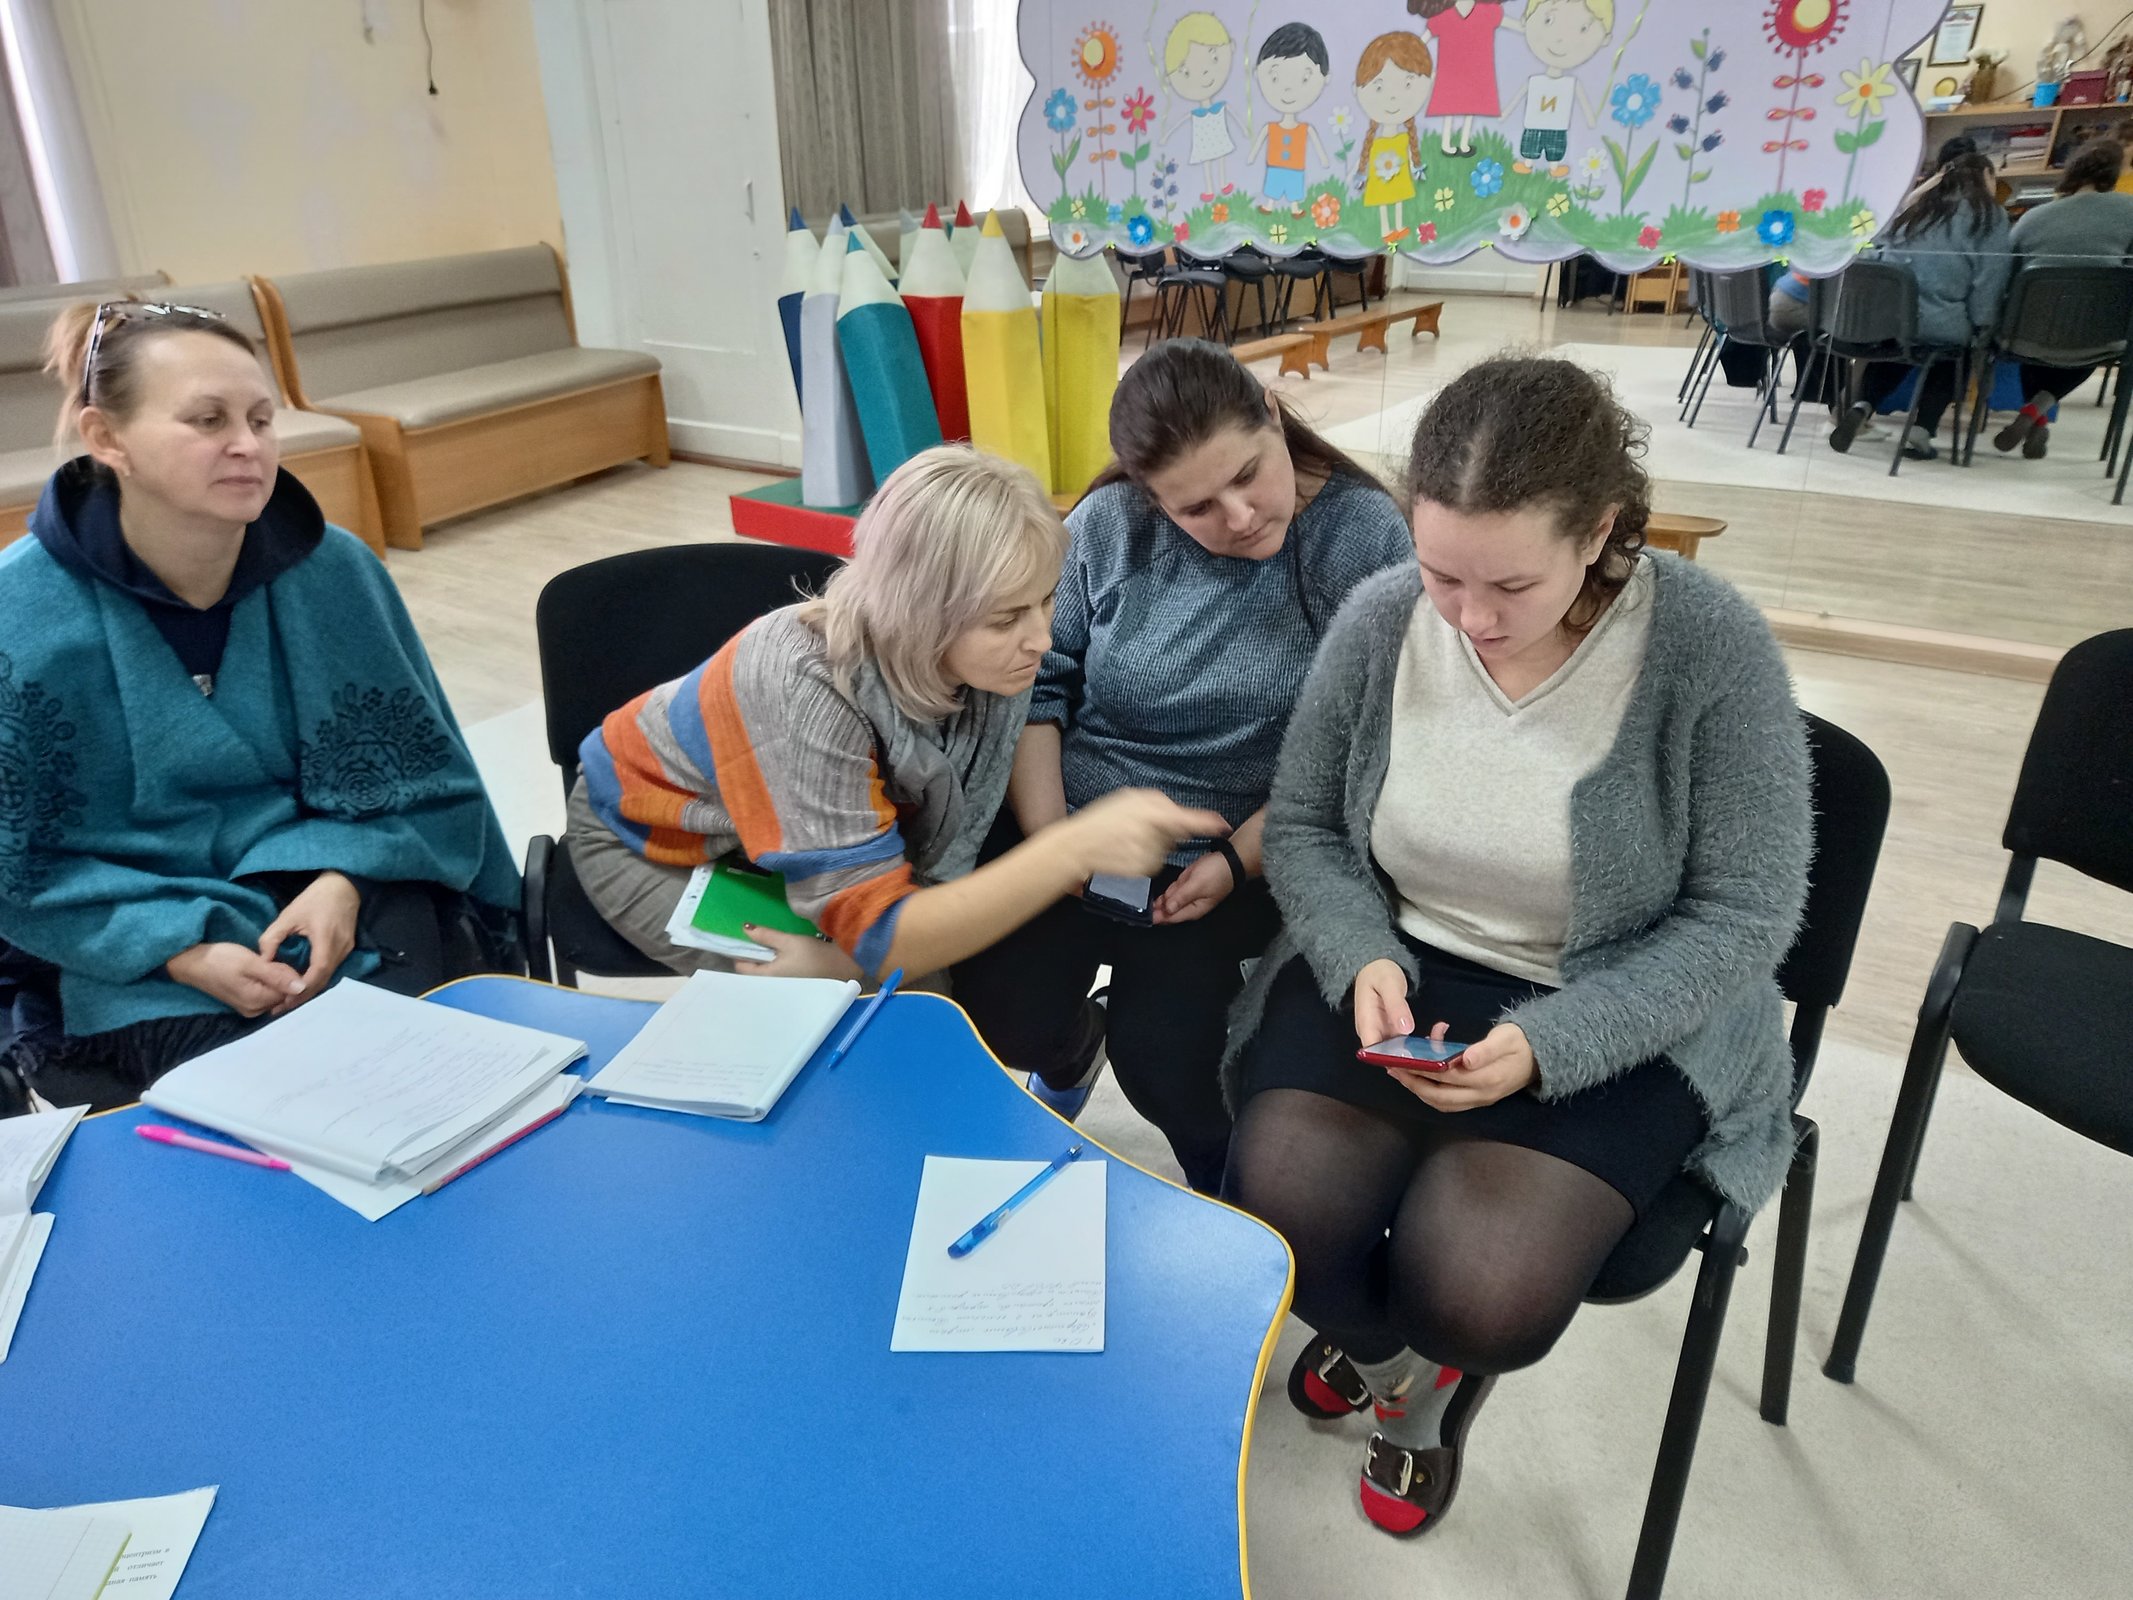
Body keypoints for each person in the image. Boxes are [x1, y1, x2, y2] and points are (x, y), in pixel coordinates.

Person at [1221, 357, 1810, 1536]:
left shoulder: (1707, 648)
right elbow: (1305, 829)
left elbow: (1746, 917)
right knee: (1272, 1221)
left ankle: (1425, 1380)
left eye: (1511, 584)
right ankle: (1398, 1368)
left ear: (1599, 531)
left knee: (1484, 1293)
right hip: (1406, 962)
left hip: (1623, 996)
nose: (1471, 618)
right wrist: (1360, 958)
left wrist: (1554, 1043)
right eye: (1441, 570)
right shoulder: (1389, 615)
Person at [0, 301, 519, 1111]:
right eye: (207, 420)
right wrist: (178, 950)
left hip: (343, 888)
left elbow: (426, 782)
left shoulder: (334, 570)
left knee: (428, 1092)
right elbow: (22, 868)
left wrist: (345, 879)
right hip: (129, 924)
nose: (247, 446)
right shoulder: (19, 615)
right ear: (106, 438)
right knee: (248, 1123)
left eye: (261, 418)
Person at [951, 341, 1411, 1195]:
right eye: (1195, 506)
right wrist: (1055, 840)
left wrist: (1236, 861)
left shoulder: (1360, 540)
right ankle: (1066, 1043)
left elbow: (1359, 749)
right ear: (1147, 495)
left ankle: (1231, 1207)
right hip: (1081, 828)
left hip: (1249, 846)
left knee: (1173, 1063)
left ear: (1273, 414)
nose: (1237, 516)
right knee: (985, 1010)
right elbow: (1038, 683)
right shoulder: (1105, 527)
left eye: (1248, 475)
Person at [564, 445, 1223, 992]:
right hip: (654, 841)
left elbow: (936, 866)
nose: (1039, 639)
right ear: (921, 613)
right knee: (859, 1001)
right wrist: (1070, 848)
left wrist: (866, 953)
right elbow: (886, 934)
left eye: (1044, 602)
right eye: (1005, 618)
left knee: (915, 990)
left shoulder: (994, 659)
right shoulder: (803, 687)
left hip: (777, 825)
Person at [1828, 151, 2011, 460]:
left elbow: (1877, 253)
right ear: (1986, 177)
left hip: (1889, 318)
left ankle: (1862, 406)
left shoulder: (1914, 210)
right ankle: (1922, 428)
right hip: (1943, 320)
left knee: (1897, 353)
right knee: (1957, 354)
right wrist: (1983, 326)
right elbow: (1989, 281)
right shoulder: (1989, 217)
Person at [1995, 139, 2133, 459]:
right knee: (2089, 353)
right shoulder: (2128, 211)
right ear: (2113, 175)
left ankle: (2035, 417)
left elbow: (2007, 274)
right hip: (2098, 334)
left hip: (2027, 333)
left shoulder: (2032, 218)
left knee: (2035, 352)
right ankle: (2035, 413)